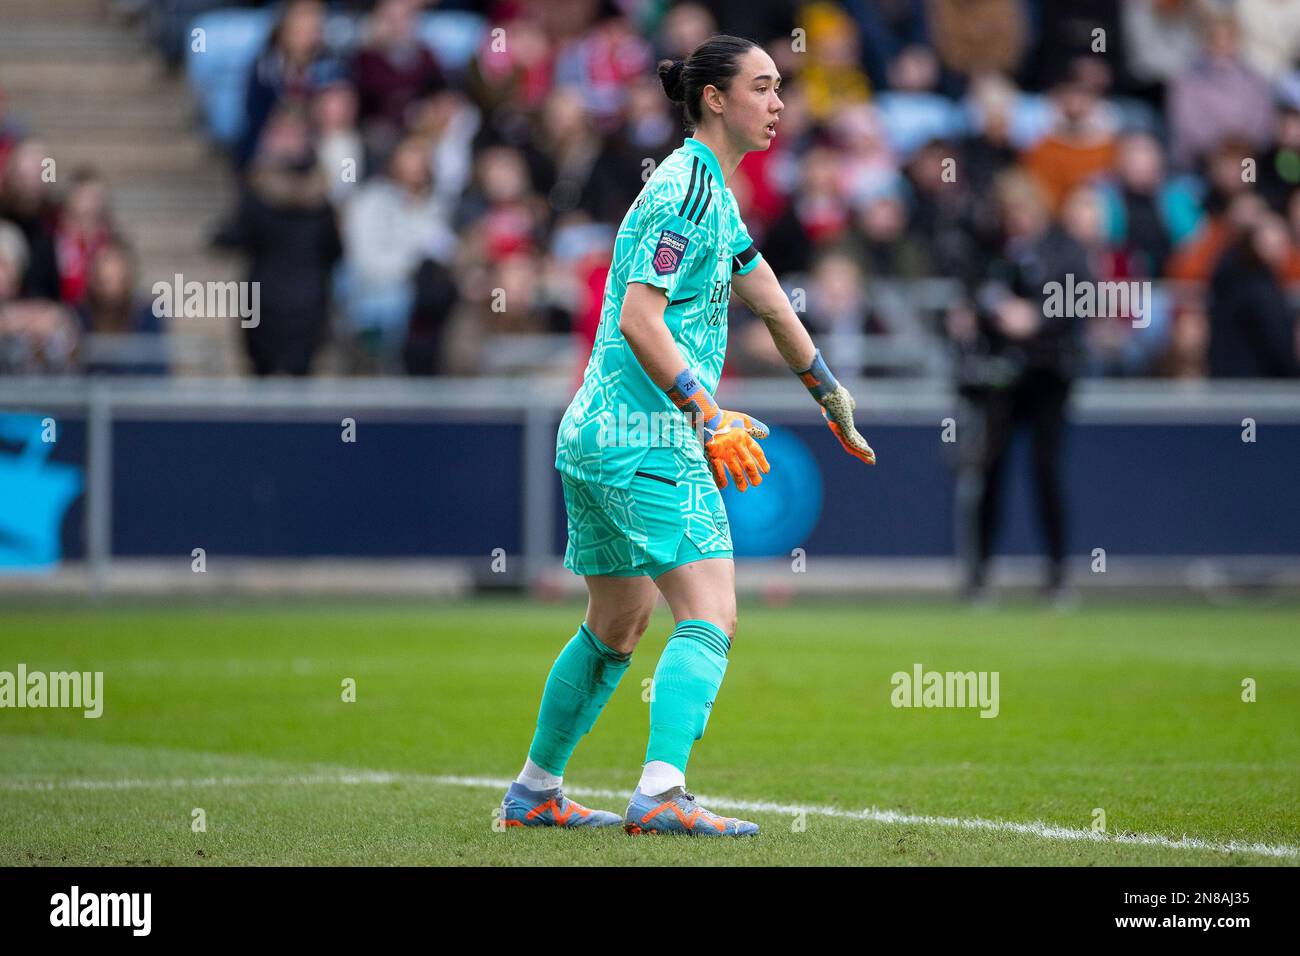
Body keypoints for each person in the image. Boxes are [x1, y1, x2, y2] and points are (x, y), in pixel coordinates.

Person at [500, 35, 876, 837]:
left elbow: (772, 302)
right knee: (712, 611)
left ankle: (535, 792)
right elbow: (638, 315)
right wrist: (706, 411)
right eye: (764, 87)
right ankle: (663, 793)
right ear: (715, 98)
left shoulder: (713, 194)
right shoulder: (683, 190)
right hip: (647, 438)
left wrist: (831, 397)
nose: (780, 104)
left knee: (617, 625)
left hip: (597, 433)